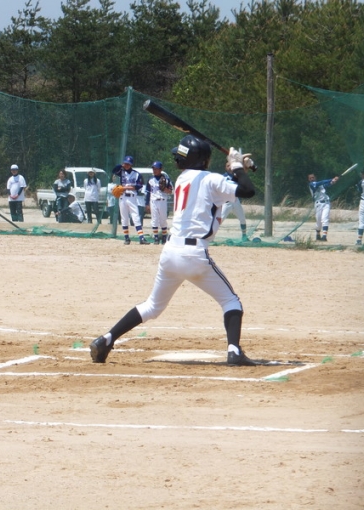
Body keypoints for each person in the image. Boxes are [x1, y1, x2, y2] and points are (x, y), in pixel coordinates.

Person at [90, 135, 257, 366]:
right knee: (231, 302)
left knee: (152, 306)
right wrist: (237, 166)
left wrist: (235, 169)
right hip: (195, 254)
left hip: (170, 253)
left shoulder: (182, 179)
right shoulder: (210, 180)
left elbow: (215, 185)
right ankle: (234, 352)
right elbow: (247, 191)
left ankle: (106, 340)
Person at [112, 155, 149, 245]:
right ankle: (126, 238)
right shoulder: (121, 171)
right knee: (124, 218)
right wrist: (121, 165)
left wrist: (125, 187)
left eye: (128, 164)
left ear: (131, 164)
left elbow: (138, 186)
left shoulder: (136, 174)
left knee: (136, 217)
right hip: (122, 197)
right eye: (125, 163)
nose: (126, 165)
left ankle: (141, 238)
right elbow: (113, 170)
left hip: (132, 197)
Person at [145, 161, 173, 245]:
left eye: (156, 169)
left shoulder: (166, 179)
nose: (154, 170)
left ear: (161, 169)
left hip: (162, 201)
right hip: (153, 201)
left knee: (163, 220)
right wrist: (147, 204)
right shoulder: (150, 180)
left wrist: (165, 189)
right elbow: (148, 193)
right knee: (154, 220)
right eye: (153, 168)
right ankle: (156, 238)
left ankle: (164, 237)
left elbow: (170, 191)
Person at [307, 172, 339, 242]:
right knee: (318, 222)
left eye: (313, 177)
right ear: (309, 179)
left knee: (325, 219)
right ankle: (318, 234)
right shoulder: (311, 185)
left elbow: (328, 185)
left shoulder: (321, 185)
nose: (312, 179)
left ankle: (324, 236)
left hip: (326, 203)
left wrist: (333, 181)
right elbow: (322, 182)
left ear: (315, 178)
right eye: (310, 178)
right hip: (318, 204)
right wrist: (332, 179)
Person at [221, 165, 249, 241]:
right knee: (220, 219)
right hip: (227, 202)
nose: (229, 167)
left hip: (236, 201)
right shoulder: (223, 177)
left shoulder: (236, 176)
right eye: (228, 166)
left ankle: (244, 236)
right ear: (225, 167)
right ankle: (210, 236)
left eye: (230, 166)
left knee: (242, 219)